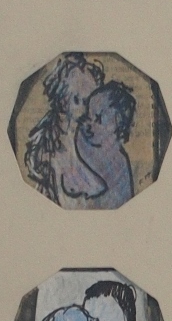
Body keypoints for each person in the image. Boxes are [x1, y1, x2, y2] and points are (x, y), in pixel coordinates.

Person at [21, 52, 105, 206]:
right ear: (64, 101)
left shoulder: (88, 147)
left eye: (91, 101)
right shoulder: (50, 157)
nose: (88, 111)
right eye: (79, 100)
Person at [67, 80, 138, 210]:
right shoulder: (83, 138)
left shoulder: (119, 164)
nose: (89, 124)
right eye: (88, 115)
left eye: (98, 119)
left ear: (118, 128)